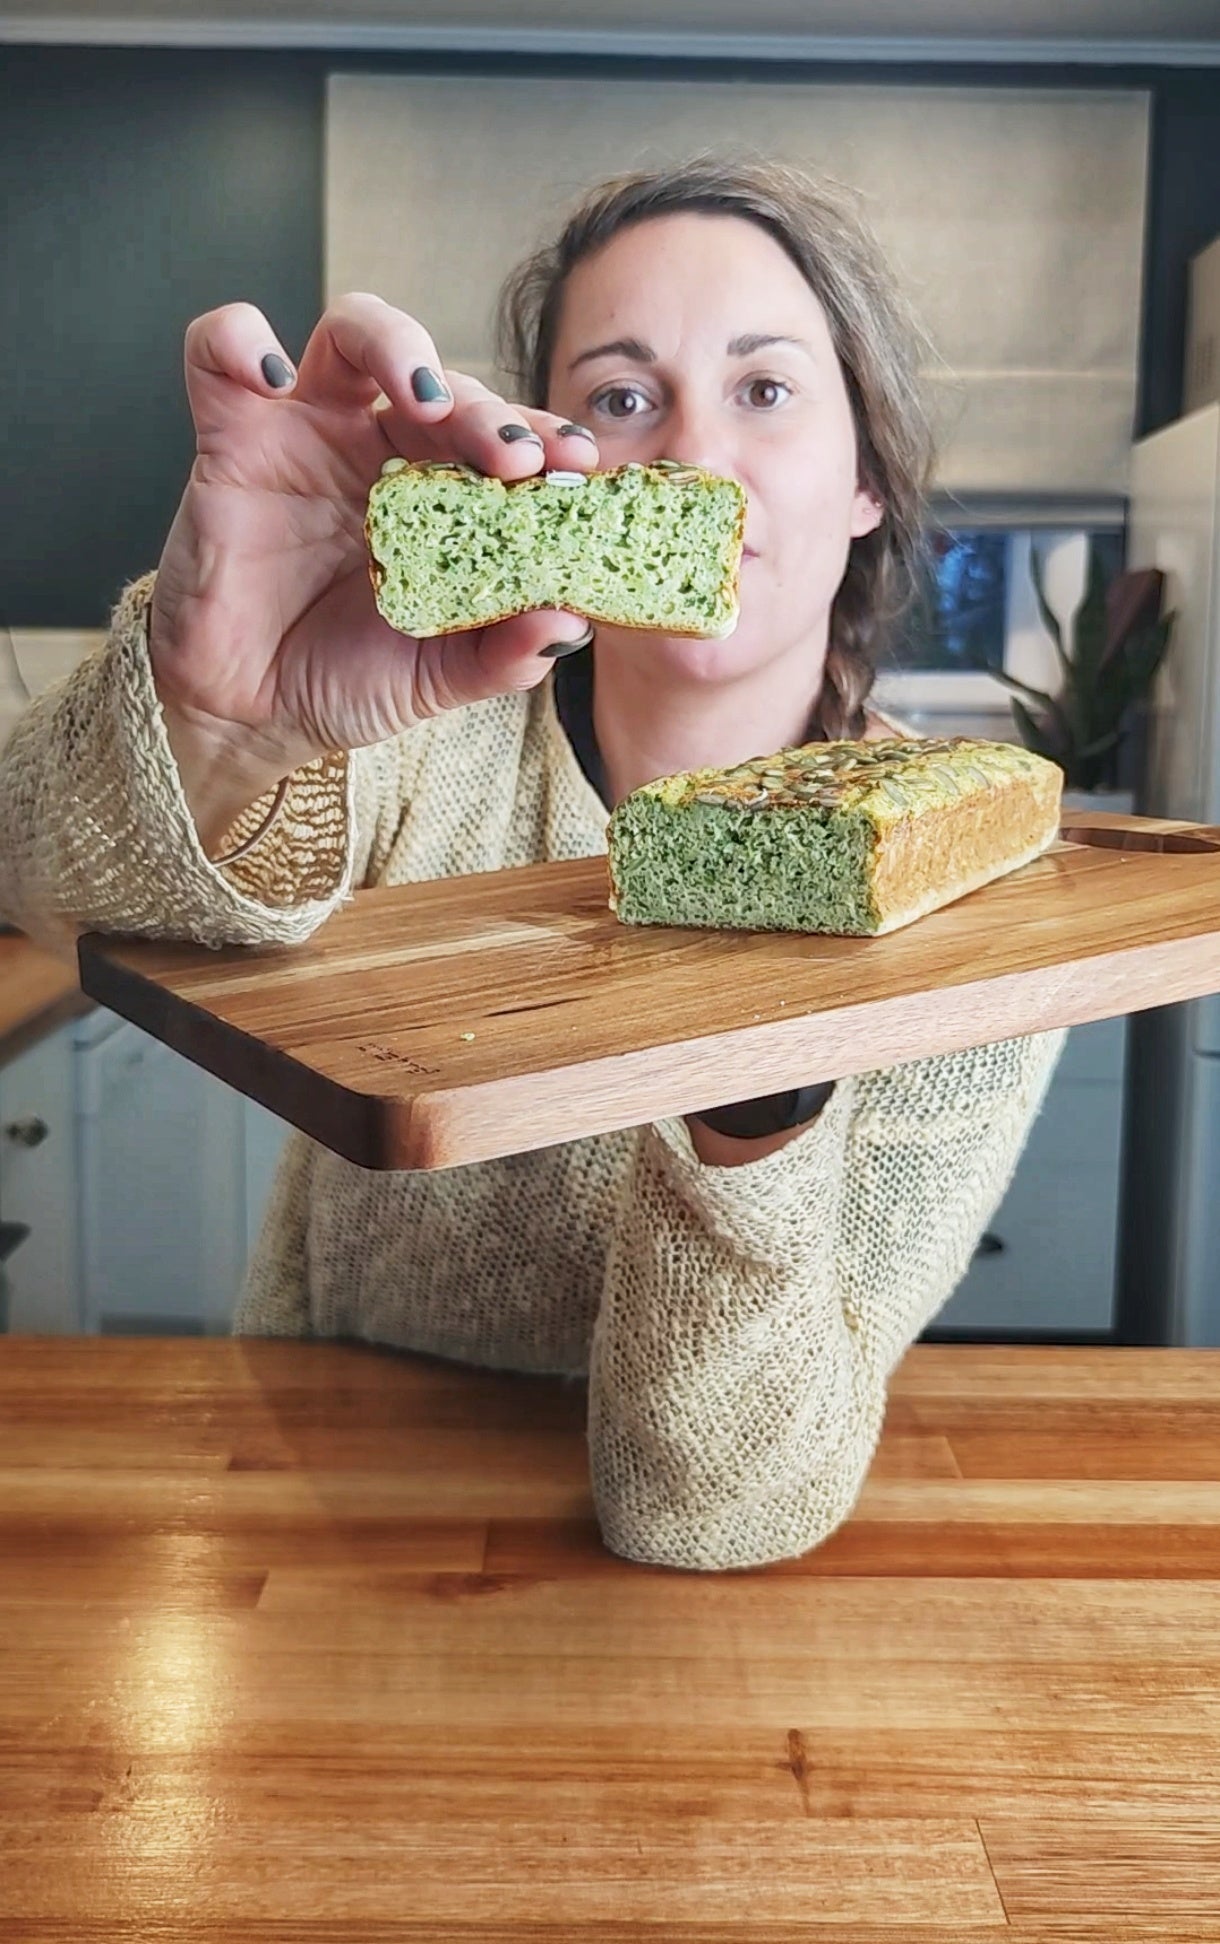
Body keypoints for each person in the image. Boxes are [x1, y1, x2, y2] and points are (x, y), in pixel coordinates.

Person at [0, 158, 1063, 1573]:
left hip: (698, 1621)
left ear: (866, 477)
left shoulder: (968, 882)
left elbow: (714, 1507)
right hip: (314, 1516)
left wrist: (759, 1074)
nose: (690, 459)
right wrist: (218, 723)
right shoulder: (407, 730)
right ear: (544, 456)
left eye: (764, 388)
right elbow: (43, 879)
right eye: (621, 399)